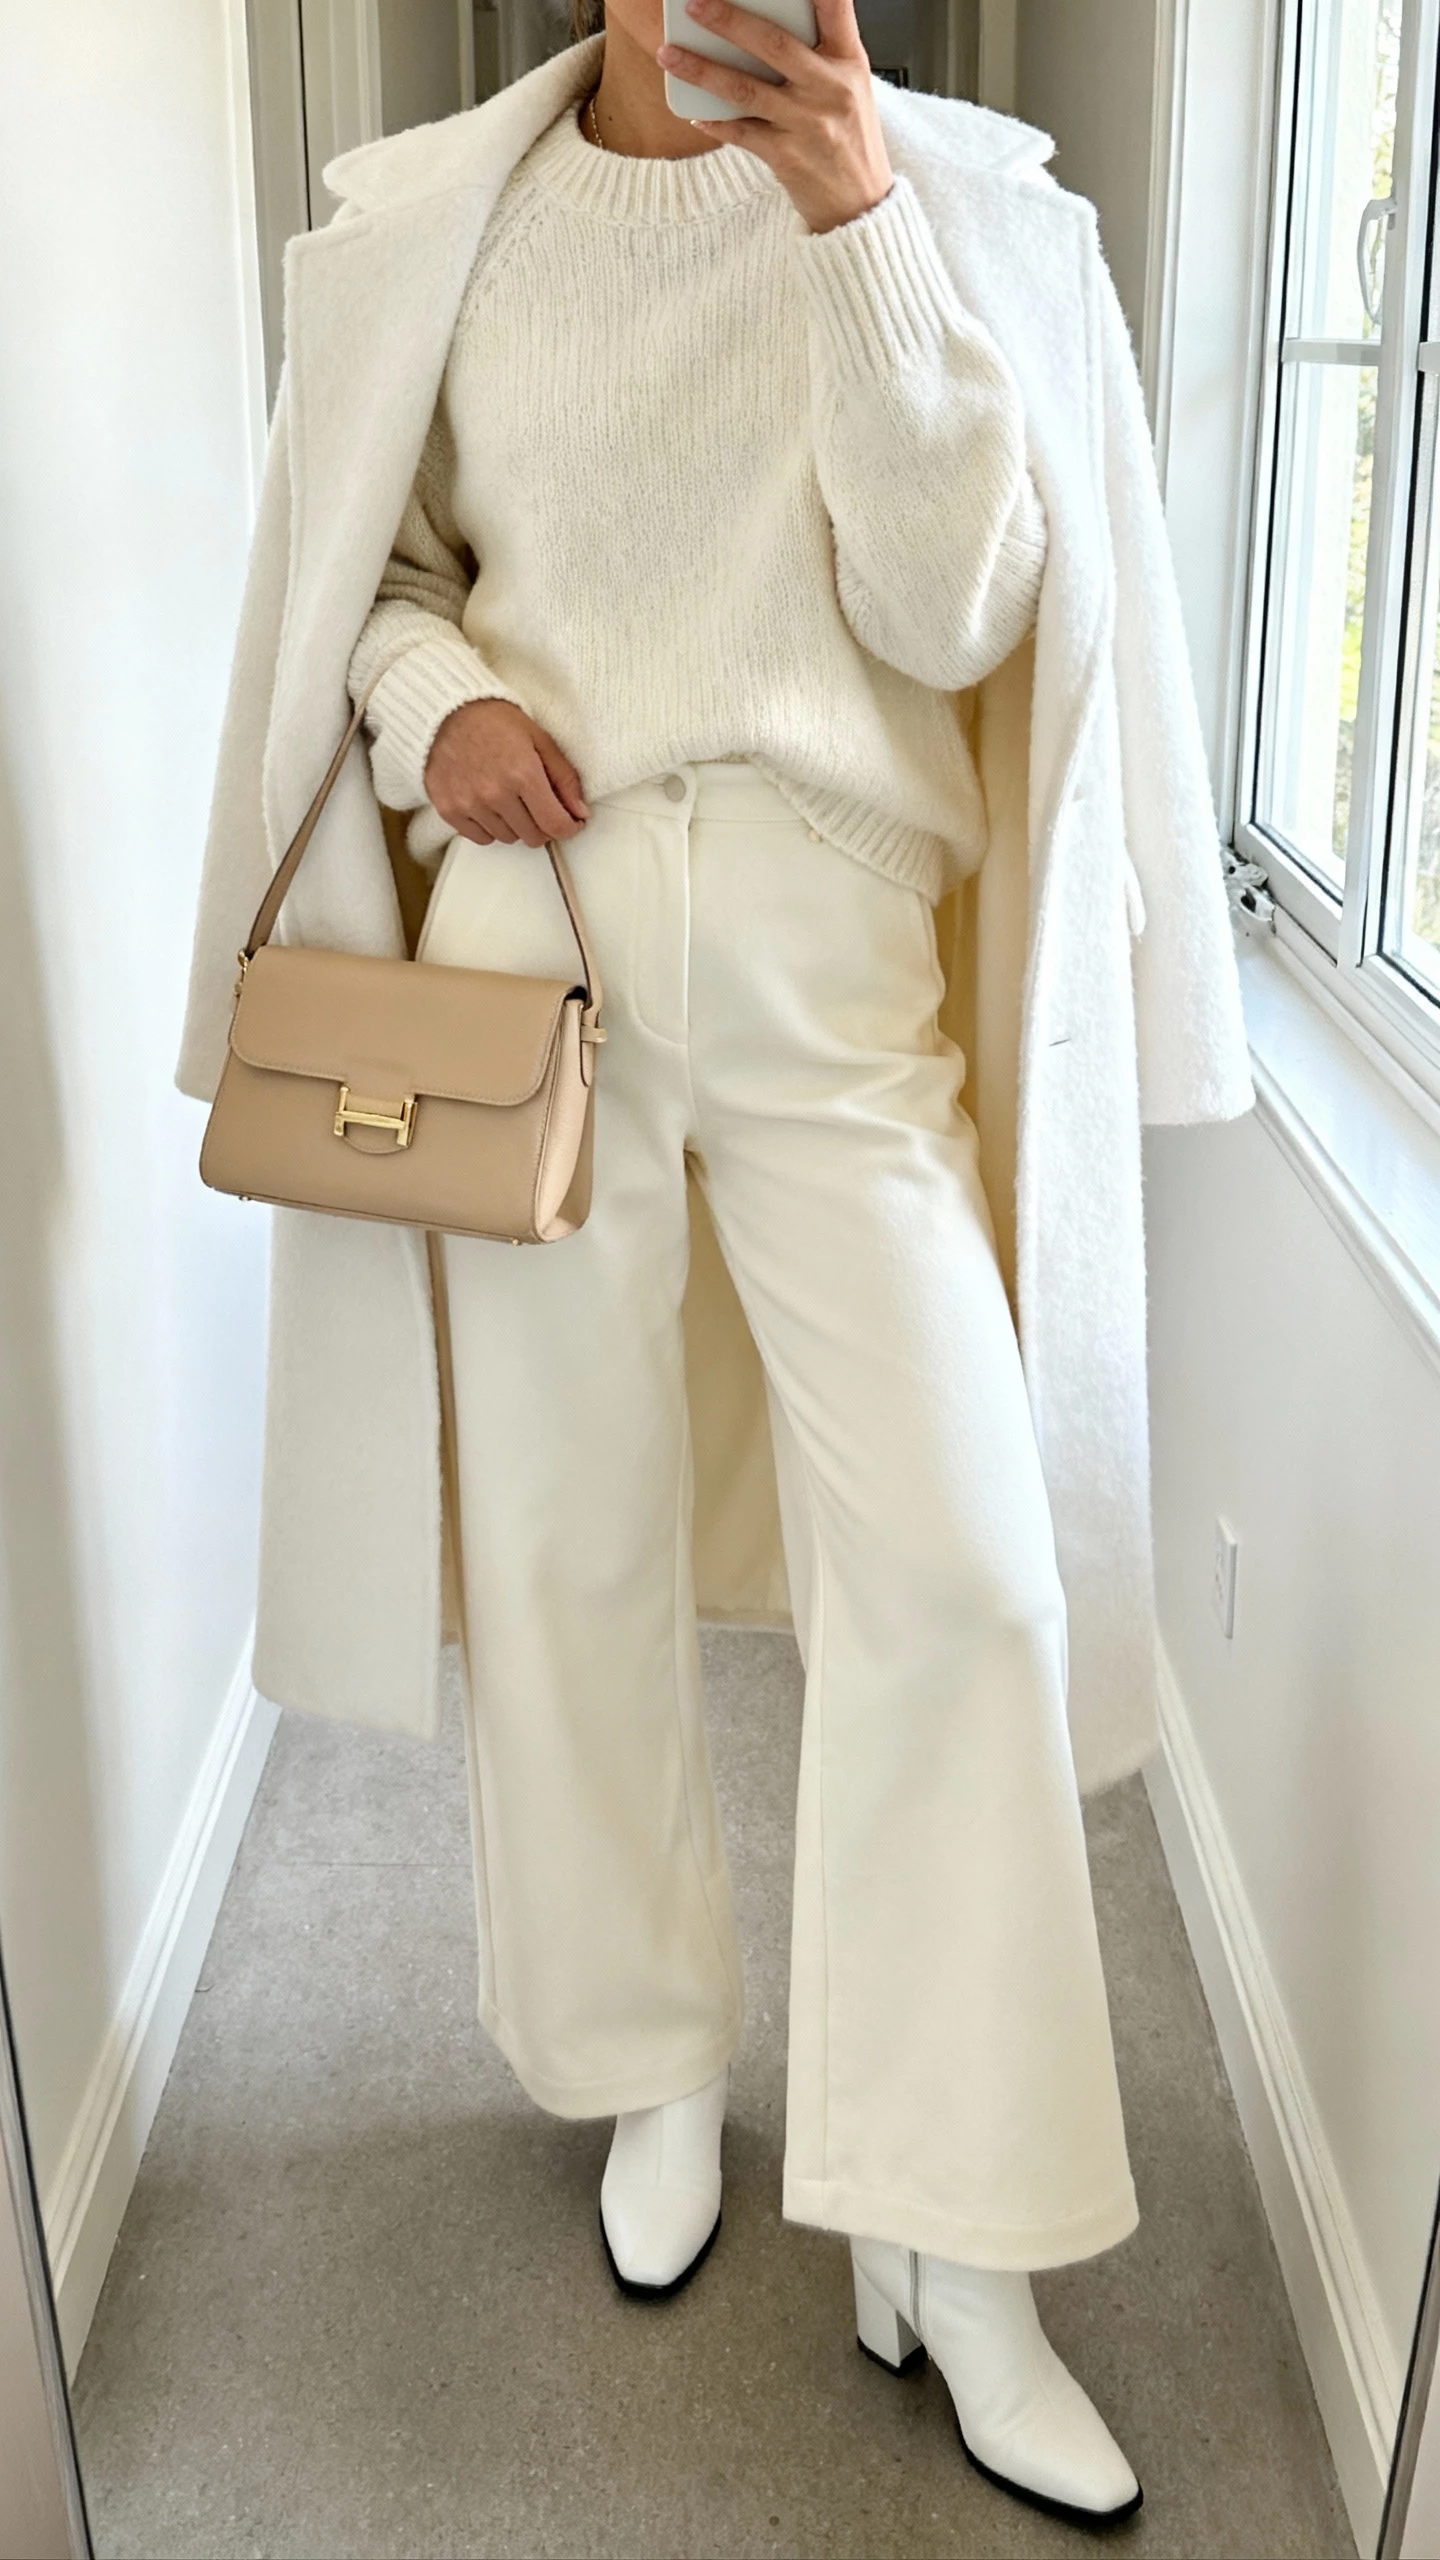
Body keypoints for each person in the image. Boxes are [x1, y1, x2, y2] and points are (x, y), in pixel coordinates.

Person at [177, 0, 1255, 2528]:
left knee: (974, 1579)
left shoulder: (955, 205)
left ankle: (952, 2231)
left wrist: (860, 223)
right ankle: (649, 2050)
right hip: (520, 940)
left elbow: (966, 603)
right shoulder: (457, 212)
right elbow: (380, 570)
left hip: (831, 957)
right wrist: (434, 701)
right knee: (565, 1544)